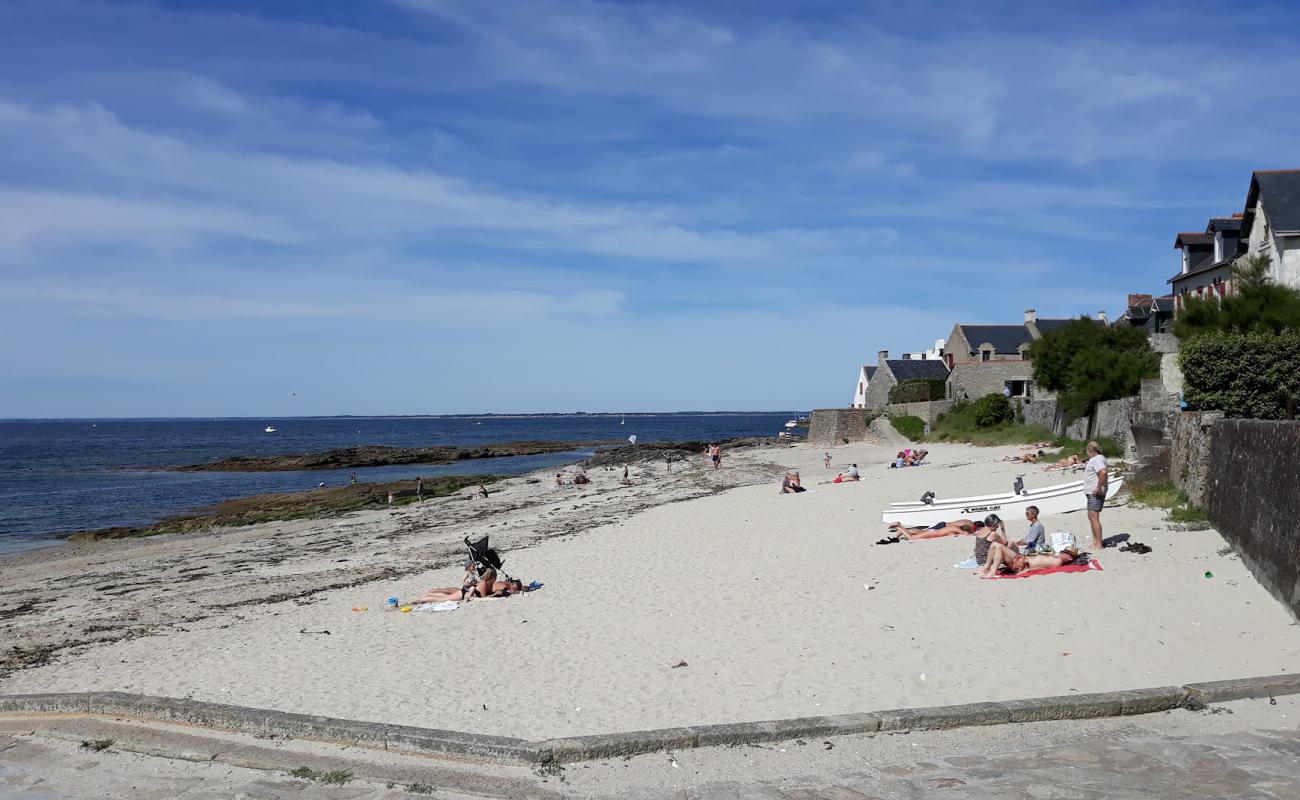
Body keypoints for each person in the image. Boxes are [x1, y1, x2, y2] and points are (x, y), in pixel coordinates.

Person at [976, 542, 1077, 578]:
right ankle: (986, 568)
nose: (1063, 552)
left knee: (999, 547)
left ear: (1070, 558)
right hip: (1022, 560)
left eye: (1065, 553)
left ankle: (992, 572)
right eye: (1064, 551)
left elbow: (1042, 567)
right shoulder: (1056, 557)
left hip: (1022, 564)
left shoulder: (1057, 562)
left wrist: (1026, 571)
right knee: (994, 545)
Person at [1083, 441, 1109, 549]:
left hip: (1095, 493)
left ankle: (1099, 543)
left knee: (1094, 517)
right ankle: (1095, 541)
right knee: (1091, 516)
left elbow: (1103, 472)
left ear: (1090, 450)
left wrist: (1098, 487)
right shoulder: (1100, 459)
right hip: (1092, 492)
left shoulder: (1097, 459)